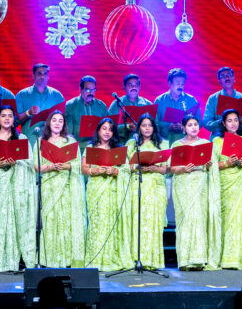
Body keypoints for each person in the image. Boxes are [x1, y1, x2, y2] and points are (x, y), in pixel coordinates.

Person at [0, 105, 36, 271]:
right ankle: (1, 261)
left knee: (21, 221)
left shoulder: (22, 138)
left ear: (14, 120)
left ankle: (21, 260)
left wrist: (16, 161)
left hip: (18, 184)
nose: (6, 118)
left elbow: (30, 163)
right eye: (3, 115)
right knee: (1, 221)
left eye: (10, 116)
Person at [34, 111, 86, 268]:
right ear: (49, 123)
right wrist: (50, 166)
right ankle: (49, 258)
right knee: (50, 221)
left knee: (65, 221)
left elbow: (78, 165)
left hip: (66, 187)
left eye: (60, 121)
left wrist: (65, 165)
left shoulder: (69, 141)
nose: (57, 123)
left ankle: (67, 259)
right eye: (54, 120)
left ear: (64, 124)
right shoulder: (41, 142)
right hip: (48, 187)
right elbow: (36, 166)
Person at [170, 115, 221, 270]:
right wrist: (184, 169)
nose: (193, 127)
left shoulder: (206, 144)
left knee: (199, 218)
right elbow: (171, 169)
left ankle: (199, 259)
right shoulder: (176, 145)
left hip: (200, 183)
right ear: (184, 127)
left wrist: (207, 165)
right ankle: (185, 260)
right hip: (183, 184)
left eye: (196, 124)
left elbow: (210, 168)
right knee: (185, 220)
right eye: (190, 125)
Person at [213, 109, 242, 269]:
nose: (233, 123)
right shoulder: (217, 142)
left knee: (241, 218)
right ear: (224, 124)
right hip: (226, 185)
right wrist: (227, 163)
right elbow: (211, 166)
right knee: (227, 218)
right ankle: (225, 258)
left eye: (236, 120)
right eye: (229, 121)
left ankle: (240, 257)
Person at [82, 118, 132, 271]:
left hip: (113, 189)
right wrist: (95, 170)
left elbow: (127, 169)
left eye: (110, 129)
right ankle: (95, 259)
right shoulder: (90, 148)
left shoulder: (119, 149)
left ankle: (111, 258)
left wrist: (116, 170)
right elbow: (84, 169)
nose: (107, 132)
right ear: (98, 130)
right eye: (104, 128)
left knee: (112, 223)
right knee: (97, 222)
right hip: (96, 189)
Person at [126, 114, 168, 270]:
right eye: (144, 125)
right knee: (138, 222)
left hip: (156, 187)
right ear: (139, 128)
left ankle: (152, 261)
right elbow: (127, 167)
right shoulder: (132, 143)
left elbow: (165, 169)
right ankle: (137, 259)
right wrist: (139, 166)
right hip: (138, 186)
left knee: (153, 222)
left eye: (150, 125)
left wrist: (154, 168)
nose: (147, 128)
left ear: (154, 127)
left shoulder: (162, 143)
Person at [16, 63, 65, 147]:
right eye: (39, 74)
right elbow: (16, 121)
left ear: (48, 76)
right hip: (29, 141)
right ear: (33, 76)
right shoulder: (22, 95)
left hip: (51, 141)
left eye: (45, 74)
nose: (42, 77)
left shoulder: (57, 95)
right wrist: (28, 112)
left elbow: (63, 120)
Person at [203, 67, 242, 140]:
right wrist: (223, 121)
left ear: (234, 79)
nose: (227, 77)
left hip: (239, 139)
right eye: (223, 76)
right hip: (218, 140)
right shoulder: (213, 99)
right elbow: (206, 123)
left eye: (229, 75)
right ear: (219, 81)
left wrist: (239, 121)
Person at [154, 68, 202, 146]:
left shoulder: (191, 100)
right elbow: (153, 123)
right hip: (165, 143)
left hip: (187, 144)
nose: (180, 86)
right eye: (177, 83)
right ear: (170, 83)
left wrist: (185, 127)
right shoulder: (159, 101)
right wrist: (168, 126)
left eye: (182, 84)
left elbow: (200, 122)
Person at [65, 75, 108, 152]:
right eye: (88, 90)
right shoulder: (70, 106)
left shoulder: (101, 106)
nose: (91, 93)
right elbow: (68, 132)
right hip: (78, 147)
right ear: (80, 90)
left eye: (93, 90)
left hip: (98, 146)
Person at [107, 74, 153, 143]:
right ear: (124, 87)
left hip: (144, 143)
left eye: (136, 85)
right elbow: (109, 126)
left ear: (139, 87)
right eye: (130, 85)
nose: (133, 87)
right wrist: (127, 127)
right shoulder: (117, 104)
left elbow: (156, 125)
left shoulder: (147, 104)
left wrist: (142, 127)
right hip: (122, 144)